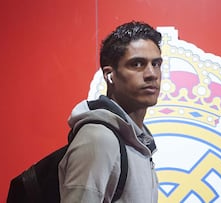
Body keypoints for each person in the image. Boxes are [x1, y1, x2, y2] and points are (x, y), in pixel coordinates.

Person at [58, 21, 163, 202]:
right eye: (137, 64)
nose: (151, 74)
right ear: (109, 75)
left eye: (156, 64)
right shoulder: (98, 139)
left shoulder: (137, 143)